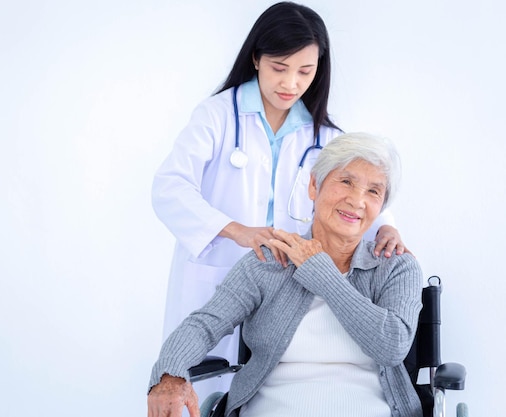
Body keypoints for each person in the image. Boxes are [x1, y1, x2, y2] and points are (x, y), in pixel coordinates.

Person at [151, 1, 409, 397]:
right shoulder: (219, 116)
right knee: (200, 382)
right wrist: (237, 231)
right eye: (279, 68)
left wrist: (389, 225)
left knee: (271, 379)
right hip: (216, 269)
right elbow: (170, 187)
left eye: (305, 71)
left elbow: (359, 191)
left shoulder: (324, 135)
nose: (291, 83)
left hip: (283, 281)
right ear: (256, 58)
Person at [147, 132, 424, 417]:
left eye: (373, 191)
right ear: (314, 185)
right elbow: (205, 324)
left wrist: (319, 271)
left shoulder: (396, 267)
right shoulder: (268, 261)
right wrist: (170, 374)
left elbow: (391, 347)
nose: (357, 200)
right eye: (346, 181)